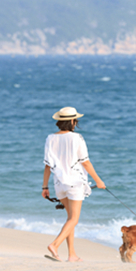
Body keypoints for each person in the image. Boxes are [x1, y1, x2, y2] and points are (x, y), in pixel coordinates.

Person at [42, 106, 106, 262]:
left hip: (59, 184)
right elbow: (86, 162)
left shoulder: (50, 138)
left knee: (70, 219)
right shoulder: (77, 138)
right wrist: (98, 181)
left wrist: (45, 187)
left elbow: (47, 166)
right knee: (74, 219)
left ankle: (72, 255)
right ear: (72, 121)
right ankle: (54, 245)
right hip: (75, 183)